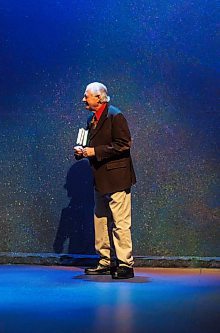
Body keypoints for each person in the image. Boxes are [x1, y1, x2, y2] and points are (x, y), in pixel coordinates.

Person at [73, 82, 136, 279]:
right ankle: (105, 261)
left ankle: (125, 264)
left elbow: (124, 145)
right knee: (100, 220)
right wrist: (81, 151)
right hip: (100, 178)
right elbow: (88, 145)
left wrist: (94, 151)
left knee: (120, 222)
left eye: (86, 96)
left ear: (99, 98)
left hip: (117, 178)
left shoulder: (115, 116)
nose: (83, 99)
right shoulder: (92, 119)